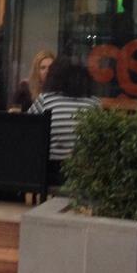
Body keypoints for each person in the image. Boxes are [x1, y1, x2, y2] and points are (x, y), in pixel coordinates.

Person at [28, 57, 101, 186]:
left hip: (50, 170)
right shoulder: (94, 103)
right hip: (85, 171)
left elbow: (27, 128)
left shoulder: (46, 99)